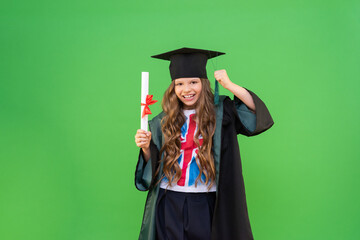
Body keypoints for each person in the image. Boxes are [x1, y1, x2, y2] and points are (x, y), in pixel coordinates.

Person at [134, 47, 274, 240]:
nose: (187, 89)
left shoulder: (222, 113)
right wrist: (146, 148)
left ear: (204, 83)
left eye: (193, 82)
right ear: (173, 88)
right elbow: (153, 168)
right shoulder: (162, 121)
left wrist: (230, 85)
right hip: (169, 200)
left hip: (205, 201)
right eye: (180, 84)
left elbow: (255, 115)